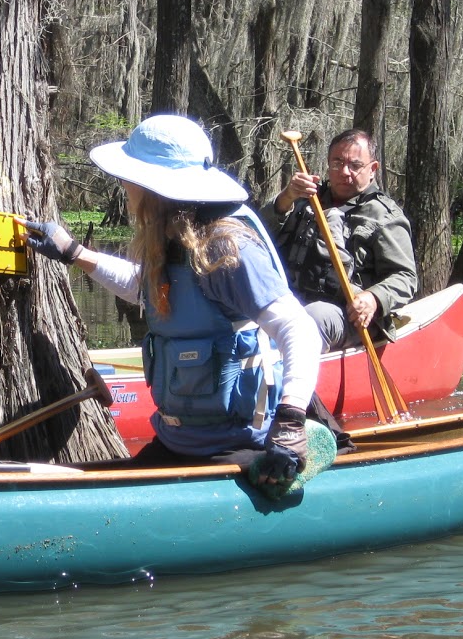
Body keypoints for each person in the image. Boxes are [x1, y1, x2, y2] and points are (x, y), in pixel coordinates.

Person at [24, 114, 321, 485]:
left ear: (154, 186)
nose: (123, 185)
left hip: (238, 449)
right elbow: (144, 288)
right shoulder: (169, 240)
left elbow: (299, 330)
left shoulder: (227, 248)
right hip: (177, 441)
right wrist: (74, 252)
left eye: (129, 177)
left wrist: (291, 421)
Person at [266, 127, 417, 351]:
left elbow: (405, 277)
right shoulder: (305, 198)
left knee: (311, 318)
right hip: (291, 299)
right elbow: (257, 234)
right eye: (337, 163)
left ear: (373, 169)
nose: (345, 172)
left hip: (348, 315)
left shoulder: (385, 216)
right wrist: (286, 197)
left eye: (355, 165)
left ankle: (292, 372)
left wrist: (373, 298)